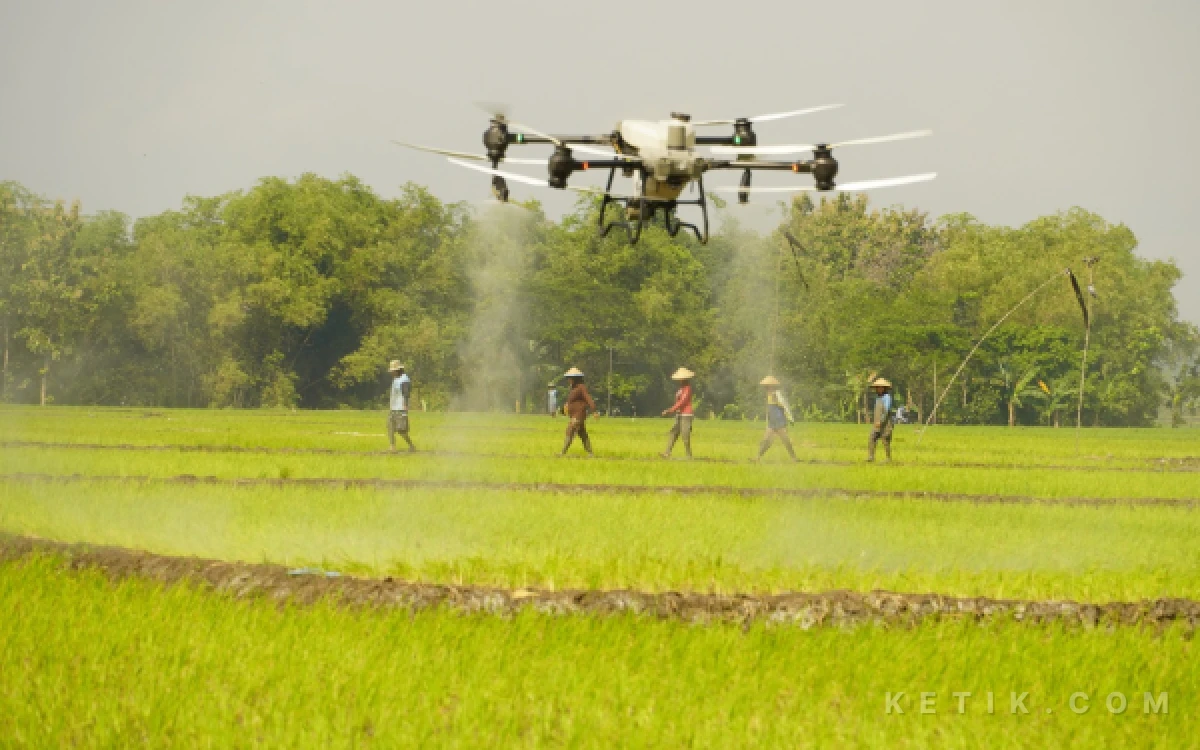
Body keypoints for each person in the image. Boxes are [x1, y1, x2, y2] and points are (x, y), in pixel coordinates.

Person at [755, 375, 798, 462]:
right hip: (772, 423)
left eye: (768, 386)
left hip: (779, 422)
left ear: (772, 386)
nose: (766, 387)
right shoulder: (768, 395)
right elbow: (769, 410)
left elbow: (784, 406)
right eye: (766, 386)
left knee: (785, 440)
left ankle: (794, 458)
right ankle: (758, 457)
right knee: (766, 441)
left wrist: (790, 418)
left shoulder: (777, 394)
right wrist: (767, 421)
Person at [560, 367, 599, 456]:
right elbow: (571, 401)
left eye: (570, 378)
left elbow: (588, 399)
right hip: (574, 414)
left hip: (579, 414)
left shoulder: (581, 387)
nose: (568, 380)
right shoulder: (573, 388)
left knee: (570, 429)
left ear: (575, 378)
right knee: (582, 433)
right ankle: (590, 453)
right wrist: (564, 409)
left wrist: (594, 411)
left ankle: (562, 453)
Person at [661, 367, 695, 459]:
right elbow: (678, 402)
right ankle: (667, 452)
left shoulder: (687, 389)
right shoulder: (681, 389)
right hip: (680, 414)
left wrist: (670, 410)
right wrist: (673, 410)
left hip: (686, 414)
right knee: (673, 432)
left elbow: (682, 402)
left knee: (685, 435)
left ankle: (689, 455)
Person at [387, 360, 415, 452]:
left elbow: (406, 393)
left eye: (393, 371)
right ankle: (392, 446)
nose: (391, 372)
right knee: (390, 426)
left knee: (401, 430)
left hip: (401, 408)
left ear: (398, 370)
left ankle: (411, 445)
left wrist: (405, 405)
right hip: (393, 408)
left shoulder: (404, 380)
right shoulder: (395, 379)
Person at [868, 377, 895, 462]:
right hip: (877, 423)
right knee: (872, 438)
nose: (879, 389)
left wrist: (881, 421)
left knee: (885, 440)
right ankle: (871, 457)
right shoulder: (878, 398)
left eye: (881, 387)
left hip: (886, 423)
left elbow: (886, 411)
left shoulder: (887, 397)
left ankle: (888, 458)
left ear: (885, 388)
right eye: (878, 387)